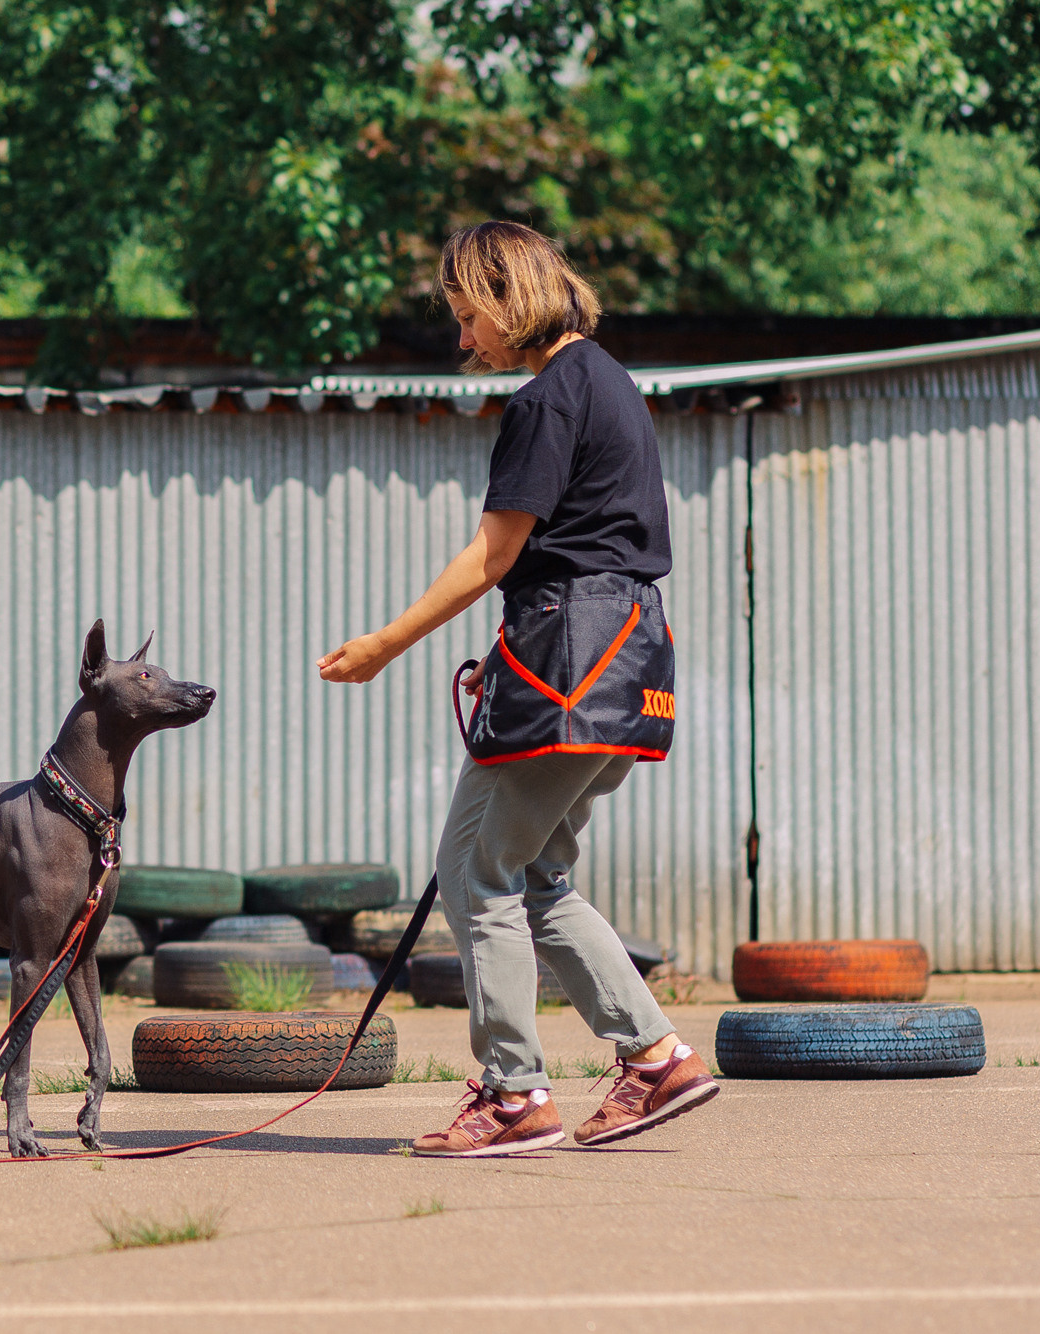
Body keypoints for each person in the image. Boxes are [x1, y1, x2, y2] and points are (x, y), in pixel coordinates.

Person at [318, 220, 717, 1155]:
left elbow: (495, 553)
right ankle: (656, 1059)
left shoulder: (548, 397)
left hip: (567, 656)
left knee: (475, 871)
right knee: (537, 875)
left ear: (506, 295)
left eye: (467, 316)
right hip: (628, 660)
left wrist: (385, 642)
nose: (463, 339)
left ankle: (512, 1095)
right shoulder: (611, 381)